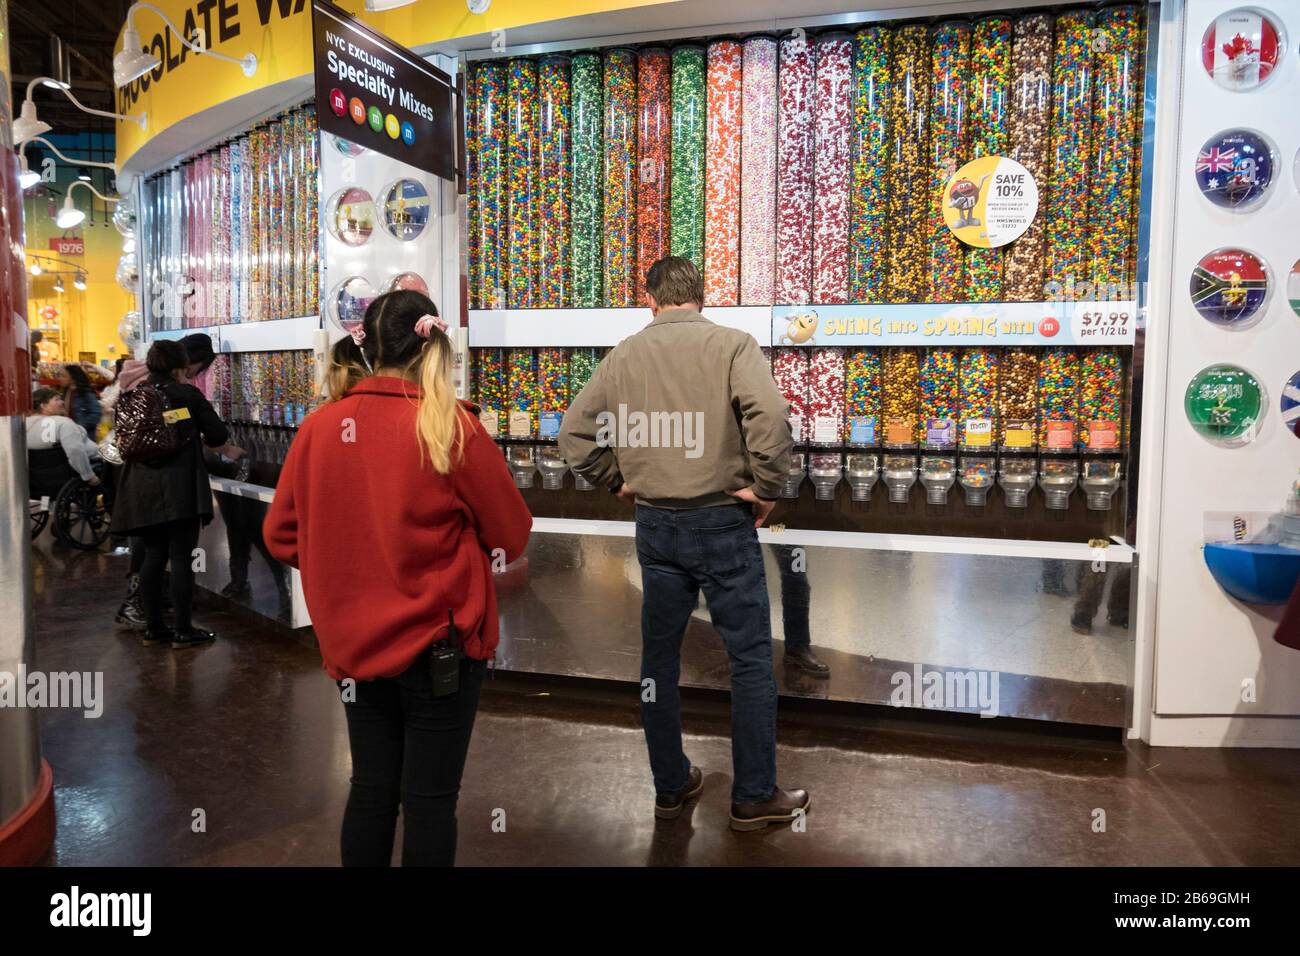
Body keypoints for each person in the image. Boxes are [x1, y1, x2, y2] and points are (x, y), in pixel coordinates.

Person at [264, 290, 531, 867]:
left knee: (370, 789)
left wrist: (350, 563)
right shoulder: (451, 428)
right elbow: (512, 531)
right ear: (432, 344)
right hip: (440, 648)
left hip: (352, 647)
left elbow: (281, 536)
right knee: (430, 802)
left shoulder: (320, 427)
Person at [558, 255, 809, 832]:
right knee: (748, 660)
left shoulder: (623, 354)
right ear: (702, 296)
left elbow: (574, 433)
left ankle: (671, 787)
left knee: (658, 660)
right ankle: (752, 796)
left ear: (650, 298)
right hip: (722, 520)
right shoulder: (733, 344)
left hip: (655, 526)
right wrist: (766, 488)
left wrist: (614, 479)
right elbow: (769, 416)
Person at [109, 339, 230, 649]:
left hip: (141, 485)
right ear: (181, 367)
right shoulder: (187, 394)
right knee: (180, 558)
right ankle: (183, 630)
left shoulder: (133, 395)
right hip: (179, 485)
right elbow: (217, 435)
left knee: (152, 556)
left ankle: (153, 628)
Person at [26, 387, 103, 489]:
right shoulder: (63, 423)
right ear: (43, 405)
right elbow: (75, 451)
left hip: (36, 478)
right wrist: (89, 476)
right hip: (74, 472)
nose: (62, 402)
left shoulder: (23, 424)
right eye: (57, 399)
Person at [62, 363, 102, 441]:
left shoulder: (86, 393)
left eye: (64, 376)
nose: (60, 378)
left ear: (73, 378)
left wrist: (79, 427)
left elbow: (96, 413)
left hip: (84, 437)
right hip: (70, 435)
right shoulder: (67, 392)